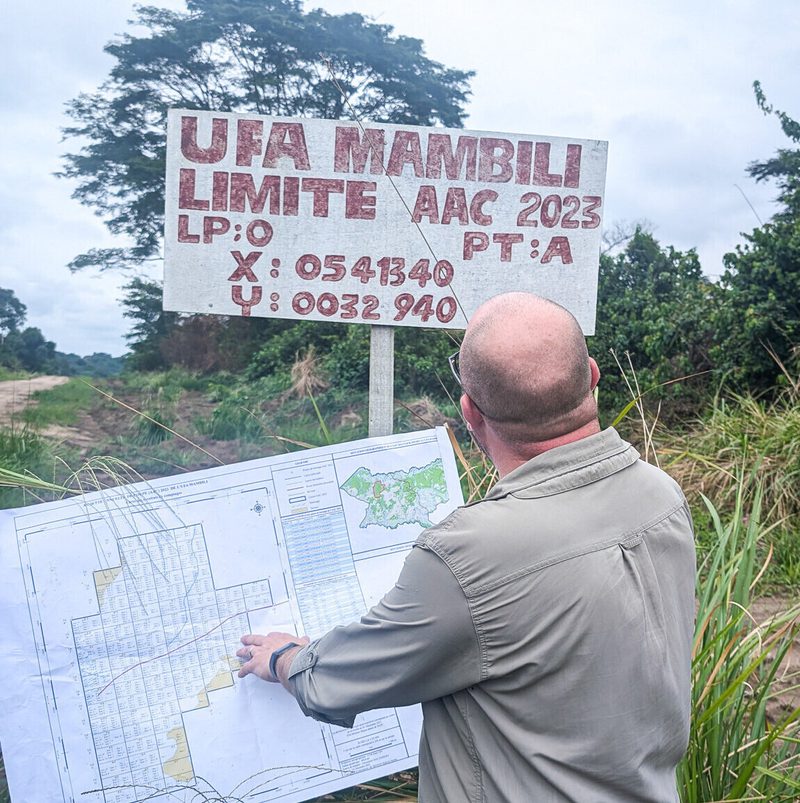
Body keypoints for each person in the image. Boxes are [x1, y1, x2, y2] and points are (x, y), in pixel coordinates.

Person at [237, 292, 696, 802]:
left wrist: (285, 657)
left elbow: (333, 683)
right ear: (591, 375)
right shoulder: (660, 492)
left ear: (470, 412)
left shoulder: (468, 556)